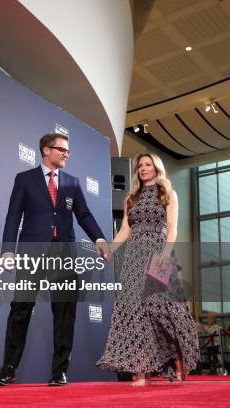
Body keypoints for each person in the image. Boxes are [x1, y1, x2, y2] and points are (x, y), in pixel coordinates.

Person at [0, 133, 108, 386]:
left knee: (65, 312)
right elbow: (13, 216)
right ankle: (9, 367)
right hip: (31, 252)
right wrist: (8, 251)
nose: (67, 154)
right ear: (46, 150)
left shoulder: (72, 183)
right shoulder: (24, 179)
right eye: (62, 149)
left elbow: (84, 215)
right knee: (21, 308)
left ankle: (59, 371)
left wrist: (99, 239)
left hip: (63, 254)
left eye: (68, 150)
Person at [96, 152, 199, 386]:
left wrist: (164, 256)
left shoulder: (167, 194)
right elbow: (124, 231)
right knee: (132, 312)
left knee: (164, 310)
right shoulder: (131, 198)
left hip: (159, 254)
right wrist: (111, 250)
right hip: (134, 257)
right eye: (140, 165)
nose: (143, 168)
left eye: (147, 164)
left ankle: (177, 358)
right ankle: (139, 370)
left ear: (156, 167)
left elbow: (171, 229)